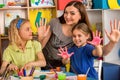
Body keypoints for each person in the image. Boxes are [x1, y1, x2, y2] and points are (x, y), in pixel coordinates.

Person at [37, 1, 120, 69]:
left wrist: (112, 42)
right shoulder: (54, 23)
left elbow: (100, 52)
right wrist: (40, 38)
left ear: (80, 15)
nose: (67, 16)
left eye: (72, 13)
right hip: (44, 66)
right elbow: (39, 48)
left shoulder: (82, 32)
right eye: (66, 12)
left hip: (63, 70)